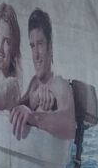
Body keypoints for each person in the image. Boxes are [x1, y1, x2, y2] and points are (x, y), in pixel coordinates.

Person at [10, 8, 76, 141]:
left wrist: (32, 116)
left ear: (50, 47)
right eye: (32, 46)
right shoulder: (34, 83)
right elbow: (14, 109)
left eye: (40, 44)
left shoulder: (59, 84)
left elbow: (69, 126)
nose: (36, 55)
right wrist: (31, 100)